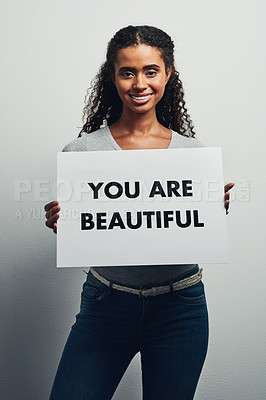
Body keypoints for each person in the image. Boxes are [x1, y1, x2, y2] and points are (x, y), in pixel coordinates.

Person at [45, 25, 234, 400]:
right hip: (105, 305)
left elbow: (186, 227)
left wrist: (209, 213)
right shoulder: (80, 154)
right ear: (113, 77)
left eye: (150, 71)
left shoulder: (194, 158)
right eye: (127, 72)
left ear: (167, 75)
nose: (139, 82)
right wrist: (63, 223)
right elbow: (88, 227)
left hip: (180, 308)